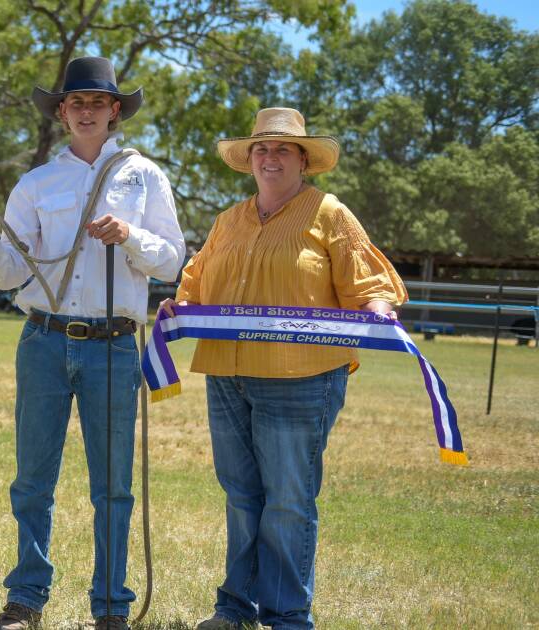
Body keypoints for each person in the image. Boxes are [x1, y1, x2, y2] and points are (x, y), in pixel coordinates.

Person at [0, 56, 185, 630]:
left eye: (97, 103)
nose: (86, 111)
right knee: (33, 481)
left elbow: (173, 258)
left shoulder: (146, 177)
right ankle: (26, 599)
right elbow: (11, 273)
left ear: (115, 111)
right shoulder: (36, 184)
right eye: (75, 102)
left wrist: (131, 236)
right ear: (62, 112)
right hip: (43, 342)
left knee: (112, 488)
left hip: (113, 344)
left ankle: (111, 606)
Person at [166, 108, 407, 630]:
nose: (269, 158)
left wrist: (377, 308)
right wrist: (179, 305)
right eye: (261, 149)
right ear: (249, 159)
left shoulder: (329, 213)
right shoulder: (228, 220)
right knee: (241, 494)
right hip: (228, 375)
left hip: (301, 378)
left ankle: (288, 616)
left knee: (289, 500)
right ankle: (235, 608)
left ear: (303, 160)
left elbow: (367, 284)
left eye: (282, 150)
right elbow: (198, 281)